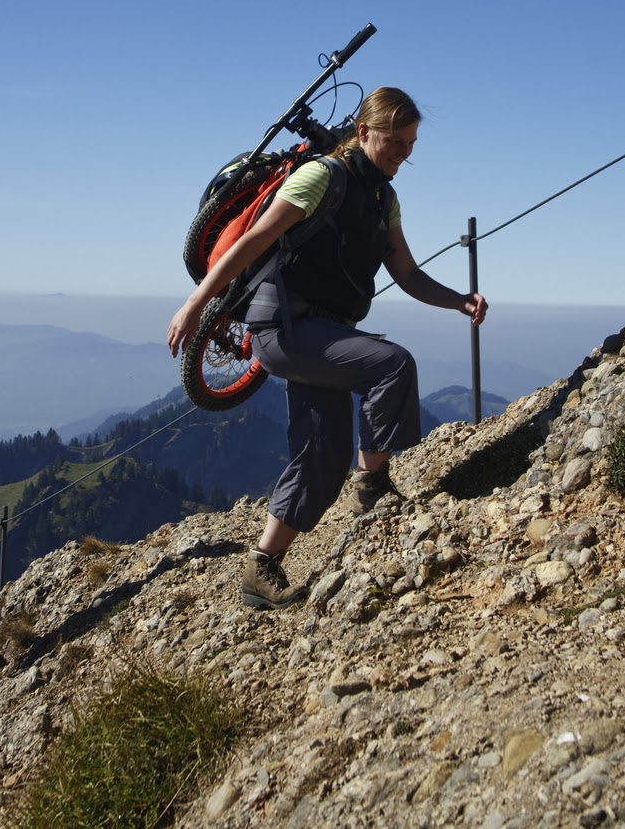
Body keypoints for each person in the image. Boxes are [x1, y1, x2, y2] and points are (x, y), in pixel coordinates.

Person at [167, 86, 488, 610]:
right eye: (395, 142)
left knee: (324, 453)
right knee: (393, 365)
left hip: (323, 333)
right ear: (363, 132)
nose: (403, 156)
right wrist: (196, 304)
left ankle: (261, 566)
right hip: (283, 328)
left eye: (410, 145)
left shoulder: (385, 198)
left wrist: (458, 301)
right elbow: (255, 241)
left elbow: (405, 273)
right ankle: (374, 487)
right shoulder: (324, 177)